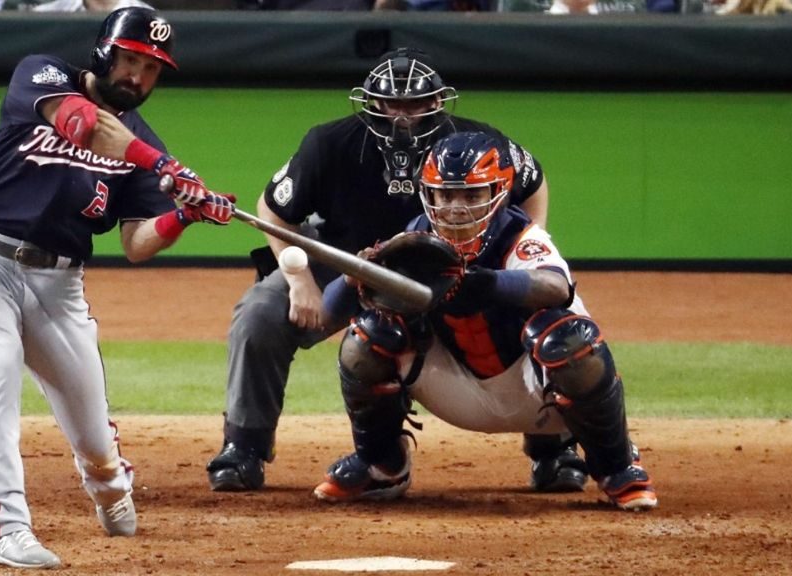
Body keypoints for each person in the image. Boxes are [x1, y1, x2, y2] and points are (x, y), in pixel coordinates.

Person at [206, 47, 578, 496]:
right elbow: (274, 207)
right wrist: (299, 279)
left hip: (448, 267)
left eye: (417, 104)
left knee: (531, 309)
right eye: (393, 104)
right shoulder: (330, 142)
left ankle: (553, 450)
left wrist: (525, 243)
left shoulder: (473, 142)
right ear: (372, 102)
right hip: (346, 261)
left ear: (438, 102)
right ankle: (244, 447)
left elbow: (532, 182)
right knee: (261, 314)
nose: (404, 116)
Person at [0, 6, 235, 570]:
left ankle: (107, 480)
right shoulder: (43, 75)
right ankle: (4, 527)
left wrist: (183, 214)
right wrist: (165, 165)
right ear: (104, 50)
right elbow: (83, 122)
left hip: (59, 287)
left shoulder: (143, 144)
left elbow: (136, 243)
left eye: (152, 70)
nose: (139, 78)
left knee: (96, 439)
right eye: (131, 61)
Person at [312, 131, 657, 511]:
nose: (456, 208)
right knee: (368, 337)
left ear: (500, 191)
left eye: (471, 195)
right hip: (459, 393)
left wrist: (485, 283)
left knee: (569, 340)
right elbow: (330, 314)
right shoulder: (414, 241)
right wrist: (356, 274)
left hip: (539, 396)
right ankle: (381, 464)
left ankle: (617, 467)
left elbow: (555, 286)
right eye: (445, 195)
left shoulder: (519, 235)